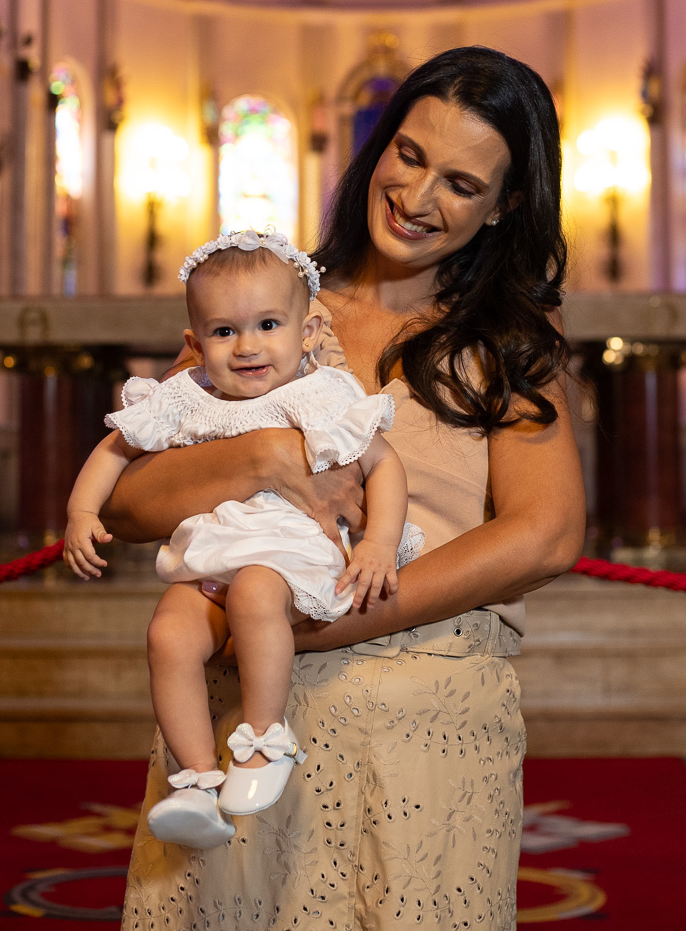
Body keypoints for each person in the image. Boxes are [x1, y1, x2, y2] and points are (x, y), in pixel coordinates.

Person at [106, 46, 586, 930]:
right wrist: (259, 460)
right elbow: (129, 504)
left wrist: (319, 623)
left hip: (423, 717)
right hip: (241, 720)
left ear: (505, 205)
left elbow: (545, 535)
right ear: (377, 145)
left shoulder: (513, 333)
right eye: (408, 154)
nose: (417, 196)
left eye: (461, 183)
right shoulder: (267, 307)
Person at [63, 229, 423, 847]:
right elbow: (114, 450)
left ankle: (264, 740)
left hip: (287, 553)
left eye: (268, 325)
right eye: (225, 331)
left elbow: (382, 465)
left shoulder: (320, 394)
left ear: (307, 333)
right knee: (168, 634)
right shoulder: (185, 397)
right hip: (209, 558)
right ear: (194, 342)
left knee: (257, 596)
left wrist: (379, 543)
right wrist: (79, 512)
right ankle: (198, 781)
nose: (247, 346)